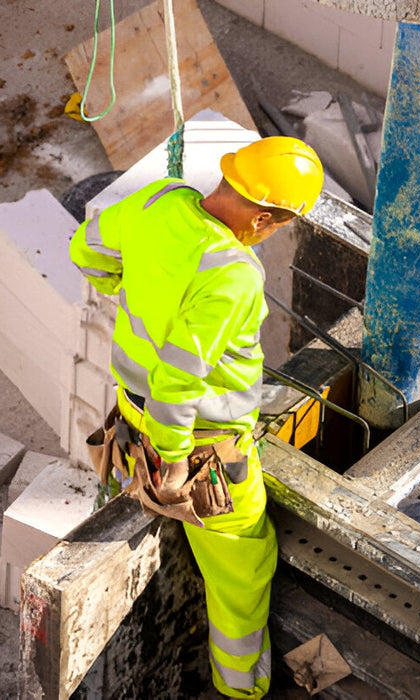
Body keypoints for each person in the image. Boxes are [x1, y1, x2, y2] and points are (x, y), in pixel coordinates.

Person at [69, 136, 324, 699]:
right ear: (262, 217)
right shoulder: (233, 273)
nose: (273, 233)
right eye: (279, 224)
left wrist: (135, 291)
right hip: (201, 447)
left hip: (133, 421)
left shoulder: (160, 200)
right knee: (243, 567)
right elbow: (180, 382)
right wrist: (178, 462)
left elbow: (85, 250)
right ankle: (241, 690)